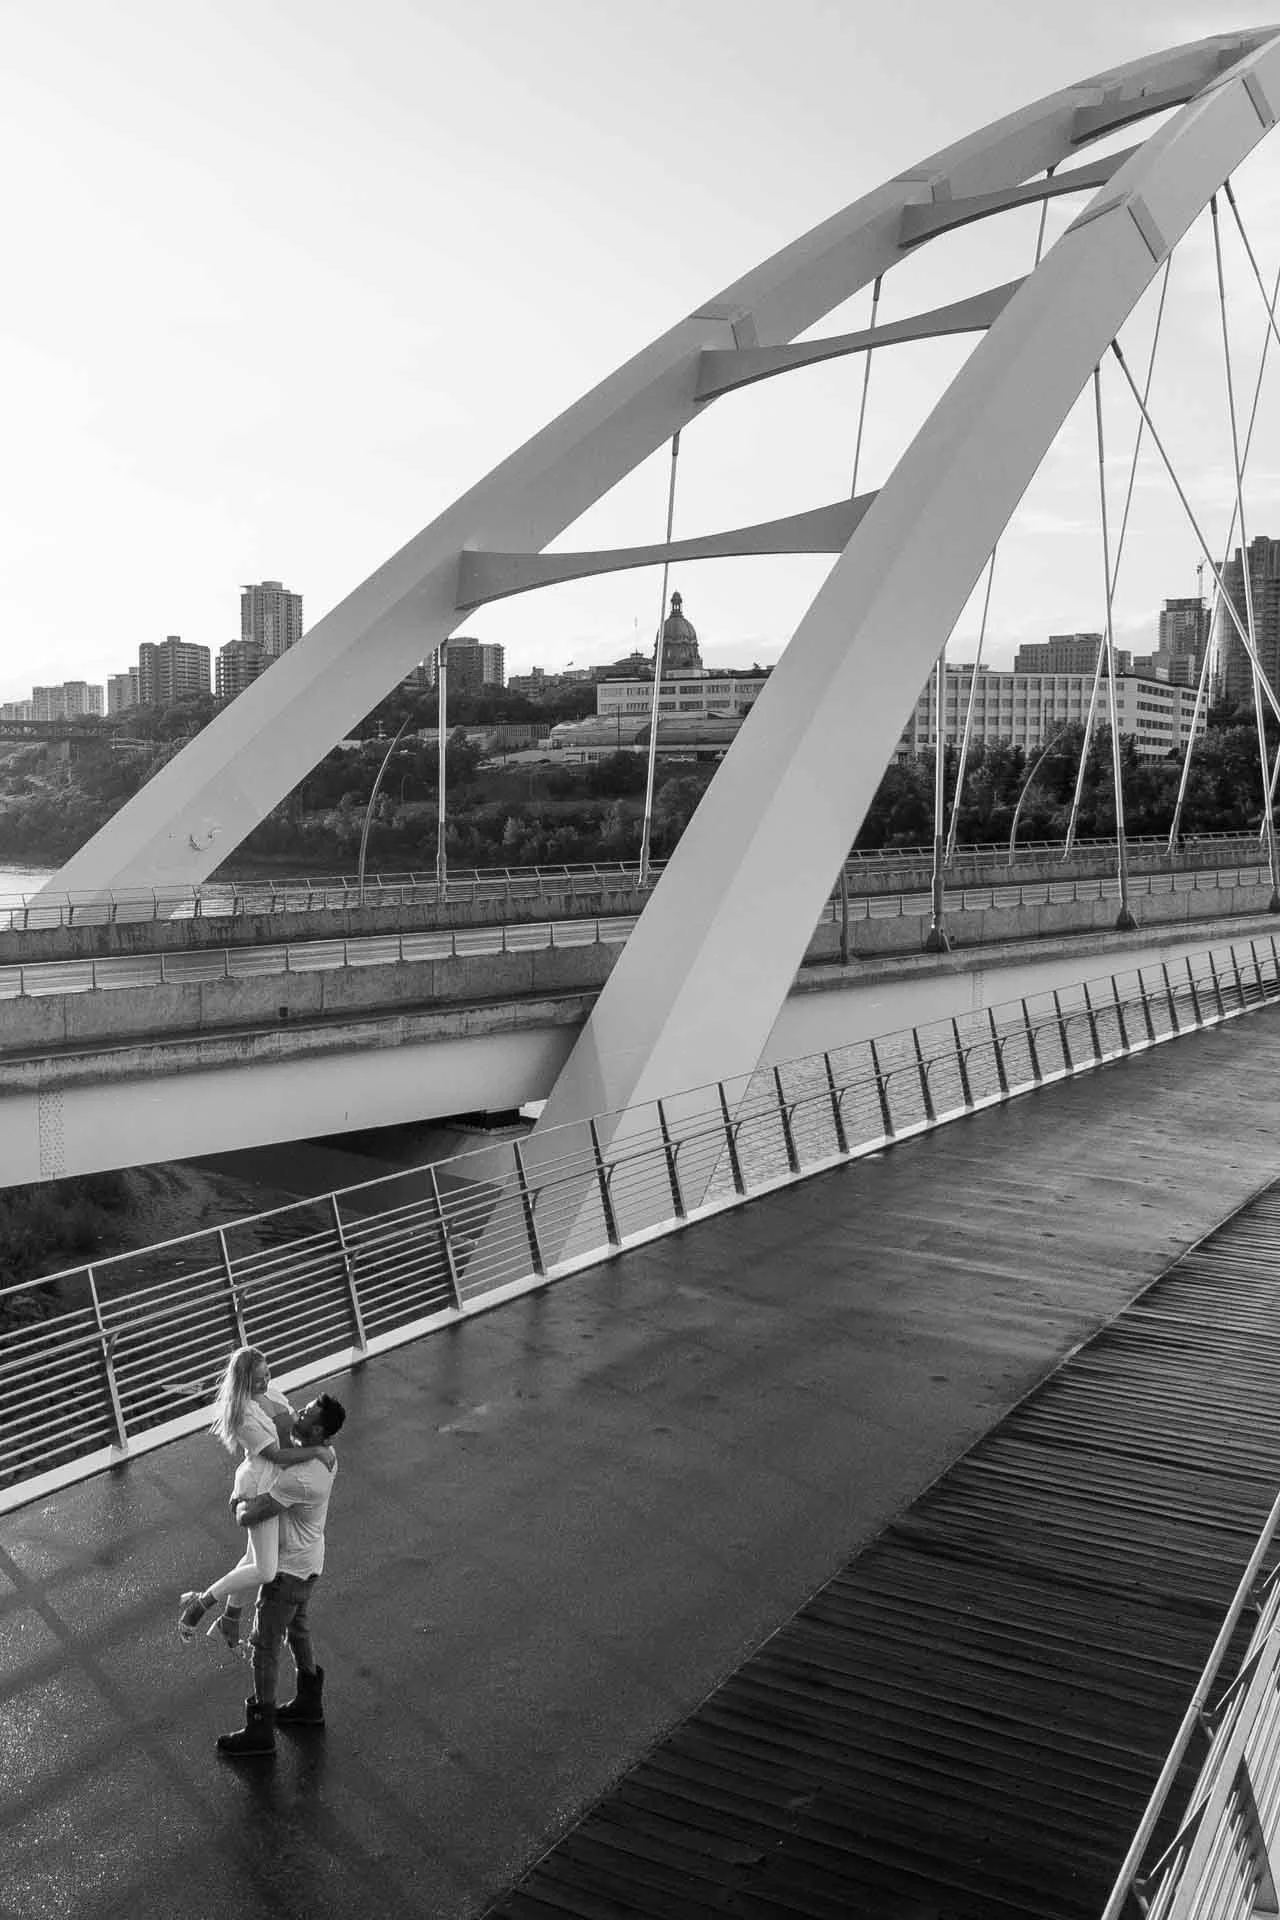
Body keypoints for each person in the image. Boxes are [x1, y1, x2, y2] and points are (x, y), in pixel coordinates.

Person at [216, 1391, 346, 1758]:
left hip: (286, 1573)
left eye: (306, 1413)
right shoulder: (326, 1456)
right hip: (309, 1563)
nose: (298, 1412)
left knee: (265, 1646)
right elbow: (281, 1415)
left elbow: (251, 1516)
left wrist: (236, 1500)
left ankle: (260, 1730)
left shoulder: (300, 1478)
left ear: (317, 1430)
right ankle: (309, 1703)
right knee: (298, 1628)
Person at [177, 1347, 335, 1649]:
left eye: (267, 1374)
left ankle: (230, 1619)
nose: (266, 1381)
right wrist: (316, 1451)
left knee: (253, 1559)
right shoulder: (242, 1416)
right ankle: (200, 1604)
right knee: (265, 1570)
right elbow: (275, 1455)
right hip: (259, 1486)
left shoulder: (272, 1394)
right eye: (258, 1379)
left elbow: (291, 1430)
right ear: (244, 1381)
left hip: (273, 1482)